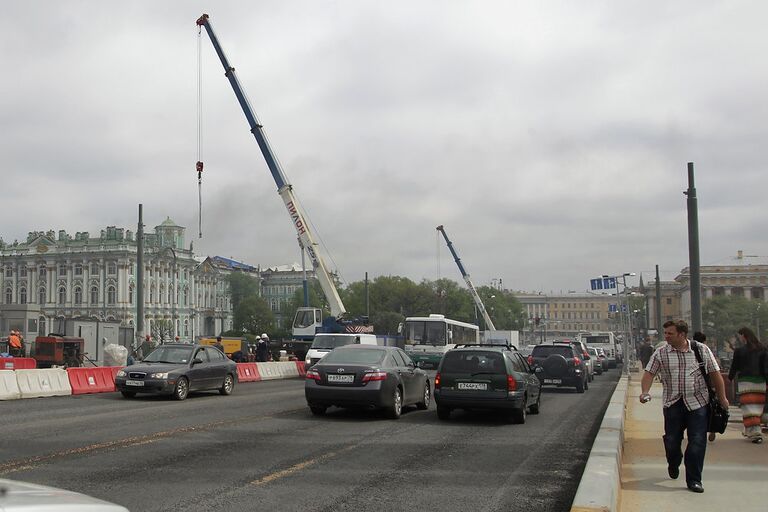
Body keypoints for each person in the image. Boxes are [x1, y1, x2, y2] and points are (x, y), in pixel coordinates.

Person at [639, 320, 729, 494]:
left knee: (697, 441)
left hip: (698, 403)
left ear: (682, 334)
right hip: (672, 403)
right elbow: (649, 373)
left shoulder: (701, 350)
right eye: (665, 333)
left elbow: (715, 375)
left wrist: (723, 398)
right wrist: (644, 392)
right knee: (672, 440)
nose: (666, 336)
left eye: (670, 333)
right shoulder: (661, 353)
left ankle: (694, 479)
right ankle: (674, 462)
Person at [728, 327, 767, 444]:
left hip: (745, 382)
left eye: (740, 336)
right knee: (758, 408)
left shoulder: (740, 351)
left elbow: (734, 367)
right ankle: (752, 431)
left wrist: (730, 378)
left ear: (744, 336)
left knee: (749, 408)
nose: (739, 338)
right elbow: (766, 367)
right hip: (760, 382)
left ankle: (755, 433)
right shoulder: (762, 349)